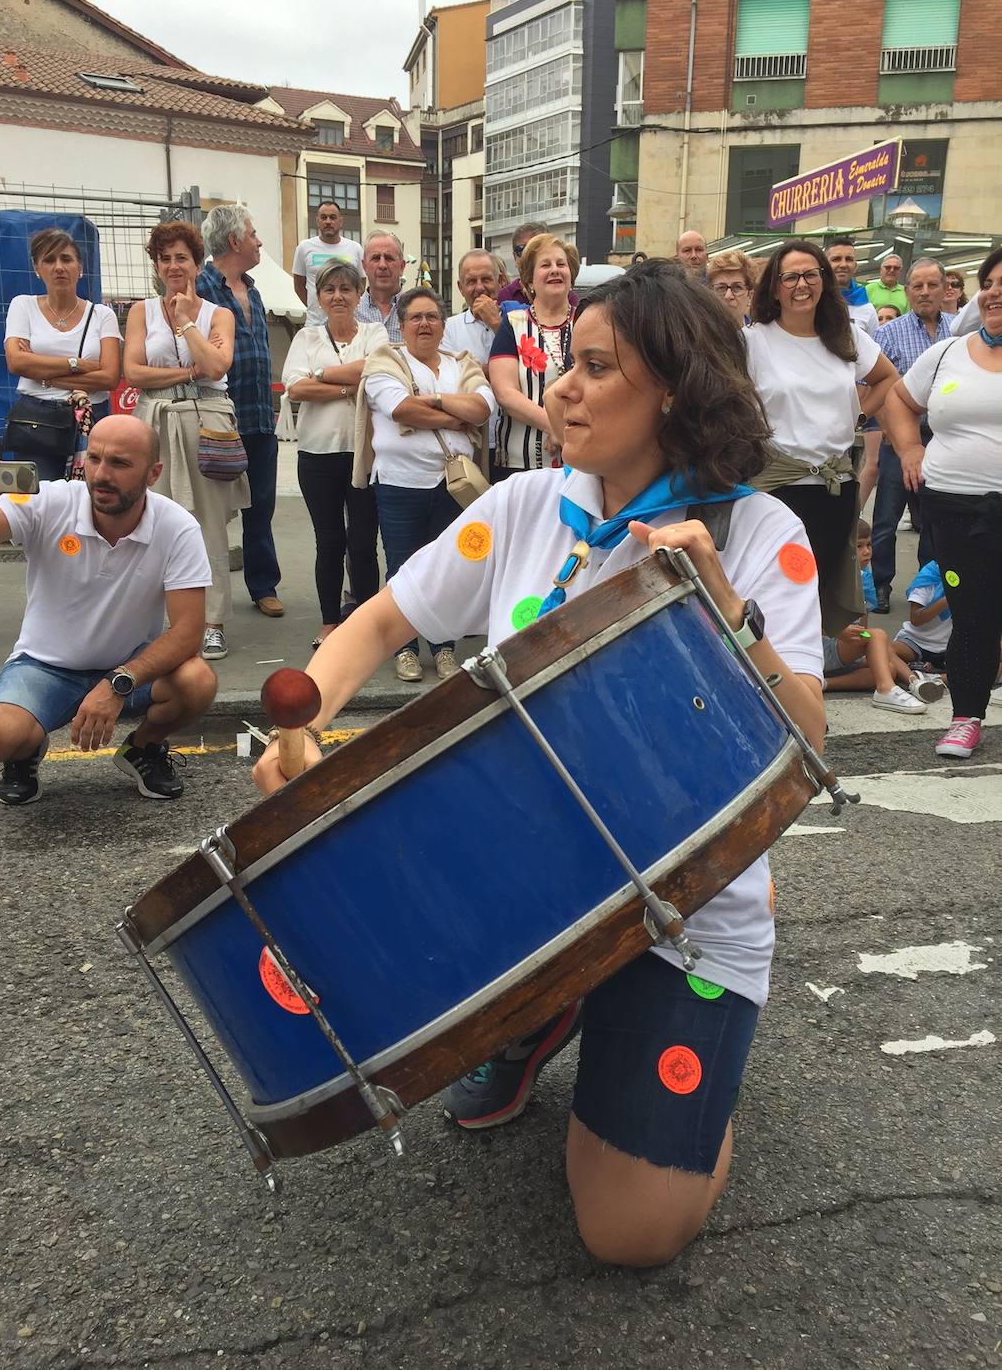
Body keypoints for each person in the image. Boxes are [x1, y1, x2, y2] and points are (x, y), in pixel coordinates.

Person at [253, 260, 826, 1269]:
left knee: (629, 1236)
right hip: (520, 891)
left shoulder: (760, 533)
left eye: (593, 368)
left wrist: (729, 617)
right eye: (567, 361)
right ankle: (545, 1005)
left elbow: (809, 746)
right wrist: (309, 721)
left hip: (681, 911)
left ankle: (665, 1080)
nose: (559, 386)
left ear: (676, 393)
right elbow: (379, 619)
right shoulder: (523, 504)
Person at [0, 418, 216, 804]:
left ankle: (143, 747)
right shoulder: (50, 500)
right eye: (95, 458)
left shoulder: (178, 527)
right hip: (44, 667)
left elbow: (188, 631)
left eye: (119, 463)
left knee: (197, 680)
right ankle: (23, 752)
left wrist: (119, 682)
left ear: (153, 473)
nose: (101, 475)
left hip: (130, 668)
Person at [882, 246, 1002, 760]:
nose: (995, 292)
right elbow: (899, 401)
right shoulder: (949, 352)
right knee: (972, 615)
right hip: (954, 509)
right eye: (989, 282)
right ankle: (965, 718)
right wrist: (910, 447)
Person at [744, 239, 898, 635]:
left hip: (835, 489)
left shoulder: (844, 334)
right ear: (774, 287)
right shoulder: (753, 340)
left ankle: (809, 684)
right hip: (777, 490)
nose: (802, 284)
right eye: (790, 276)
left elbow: (886, 379)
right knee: (775, 596)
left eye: (811, 274)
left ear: (824, 281)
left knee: (816, 597)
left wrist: (859, 415)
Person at [353, 286, 493, 682]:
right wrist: (454, 411)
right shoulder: (384, 360)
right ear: (402, 325)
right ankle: (405, 648)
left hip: (453, 485)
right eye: (416, 317)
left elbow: (482, 408)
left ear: (442, 323)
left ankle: (443, 647)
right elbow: (399, 407)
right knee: (402, 568)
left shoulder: (462, 362)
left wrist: (429, 404)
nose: (425, 324)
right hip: (400, 484)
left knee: (448, 567)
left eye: (432, 316)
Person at [124, 221, 246, 664]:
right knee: (151, 521)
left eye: (181, 257)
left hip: (206, 419)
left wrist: (185, 322)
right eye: (165, 257)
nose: (173, 265)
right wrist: (187, 371)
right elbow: (134, 372)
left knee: (207, 523)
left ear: (197, 263)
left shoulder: (219, 314)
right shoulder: (140, 312)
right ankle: (159, 623)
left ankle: (211, 623)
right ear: (156, 265)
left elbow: (217, 366)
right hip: (155, 419)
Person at [282, 262, 388, 648]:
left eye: (346, 289)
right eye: (329, 290)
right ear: (319, 297)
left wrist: (323, 375)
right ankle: (329, 621)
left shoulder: (375, 332)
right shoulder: (306, 337)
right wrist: (348, 385)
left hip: (364, 454)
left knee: (363, 541)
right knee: (329, 541)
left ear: (360, 294)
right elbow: (296, 390)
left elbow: (376, 372)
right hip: (317, 455)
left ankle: (366, 621)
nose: (338, 296)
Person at [197, 206, 283, 619]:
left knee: (261, 506)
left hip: (260, 419)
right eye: (253, 233)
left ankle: (263, 585)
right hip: (218, 420)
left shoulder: (256, 290)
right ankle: (201, 593)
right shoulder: (201, 288)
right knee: (210, 511)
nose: (259, 240)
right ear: (234, 242)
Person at [3, 228, 122, 481]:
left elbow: (110, 377)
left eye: (66, 259)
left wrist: (42, 374)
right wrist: (79, 364)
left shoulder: (103, 315)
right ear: (37, 268)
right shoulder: (22, 305)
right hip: (37, 422)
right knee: (37, 502)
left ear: (80, 267)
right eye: (49, 259)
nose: (59, 267)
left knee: (88, 500)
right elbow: (16, 362)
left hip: (90, 420)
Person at [869, 257, 953, 612]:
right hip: (898, 439)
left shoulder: (959, 330)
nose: (924, 292)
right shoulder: (888, 332)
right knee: (887, 518)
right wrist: (892, 434)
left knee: (934, 519)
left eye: (932, 285)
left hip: (944, 441)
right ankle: (881, 584)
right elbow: (873, 388)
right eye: (917, 285)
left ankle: (925, 586)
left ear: (945, 288)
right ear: (907, 291)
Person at [821, 520, 942, 713]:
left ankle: (825, 684)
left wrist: (864, 649)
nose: (867, 551)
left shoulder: (863, 578)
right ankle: (893, 688)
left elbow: (863, 623)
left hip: (844, 650)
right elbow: (811, 620)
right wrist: (839, 631)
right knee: (878, 635)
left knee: (886, 668)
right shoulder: (831, 578)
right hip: (823, 647)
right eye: (859, 546)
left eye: (869, 545)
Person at [489, 233, 578, 478]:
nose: (555, 270)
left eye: (561, 264)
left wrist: (567, 433)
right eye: (545, 265)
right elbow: (505, 393)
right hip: (521, 459)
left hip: (581, 457)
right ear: (529, 279)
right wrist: (555, 427)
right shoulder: (513, 324)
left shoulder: (586, 321)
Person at [443, 249, 503, 463]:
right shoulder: (448, 328)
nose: (479, 288)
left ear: (500, 282)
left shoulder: (519, 322)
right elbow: (454, 381)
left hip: (512, 439)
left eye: (486, 279)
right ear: (460, 288)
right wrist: (504, 370)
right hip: (470, 438)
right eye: (471, 281)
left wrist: (497, 324)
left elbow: (528, 367)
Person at [291, 201, 365, 327]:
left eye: (333, 217)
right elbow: (299, 285)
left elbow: (361, 283)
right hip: (315, 324)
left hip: (346, 324)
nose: (328, 221)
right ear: (317, 221)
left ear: (340, 221)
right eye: (324, 217)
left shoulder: (355, 248)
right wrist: (317, 306)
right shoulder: (304, 247)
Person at [496, 223, 578, 309]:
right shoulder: (505, 297)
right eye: (522, 250)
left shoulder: (572, 302)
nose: (529, 256)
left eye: (560, 264)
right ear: (515, 257)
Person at [893, 560, 952, 677]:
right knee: (883, 651)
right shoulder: (931, 575)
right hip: (916, 642)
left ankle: (937, 680)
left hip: (952, 646)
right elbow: (916, 619)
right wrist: (946, 600)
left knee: (992, 658)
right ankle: (913, 681)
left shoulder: (975, 575)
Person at [355, 232, 406, 342]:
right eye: (375, 258)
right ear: (364, 267)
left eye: (389, 258)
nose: (382, 265)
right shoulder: (350, 313)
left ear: (401, 267)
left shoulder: (417, 314)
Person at [825, 239, 878, 336]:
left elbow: (875, 348)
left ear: (855, 266)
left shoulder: (867, 309)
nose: (843, 265)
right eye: (836, 259)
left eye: (849, 259)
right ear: (825, 265)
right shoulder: (814, 302)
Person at [706, 250, 754, 328]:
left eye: (737, 287)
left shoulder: (762, 337)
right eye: (721, 288)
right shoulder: (697, 337)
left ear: (750, 295)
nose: (728, 296)